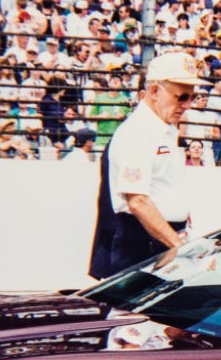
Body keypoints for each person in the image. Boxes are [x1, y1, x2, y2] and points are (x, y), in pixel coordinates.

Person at [88, 52, 207, 280]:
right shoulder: (137, 132)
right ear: (154, 92)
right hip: (142, 245)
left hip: (161, 240)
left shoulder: (164, 128)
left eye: (191, 98)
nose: (188, 105)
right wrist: (179, 247)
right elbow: (138, 201)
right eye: (181, 97)